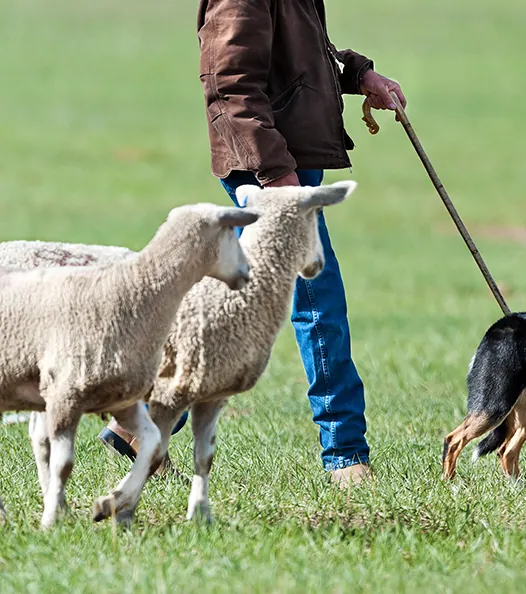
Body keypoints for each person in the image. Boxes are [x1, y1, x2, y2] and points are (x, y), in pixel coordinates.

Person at [99, 0, 405, 486]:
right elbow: (229, 81)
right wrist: (276, 175)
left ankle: (142, 422)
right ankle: (346, 456)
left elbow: (298, 57)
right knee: (318, 299)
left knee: (232, 306)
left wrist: (359, 75)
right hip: (267, 167)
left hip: (286, 158)